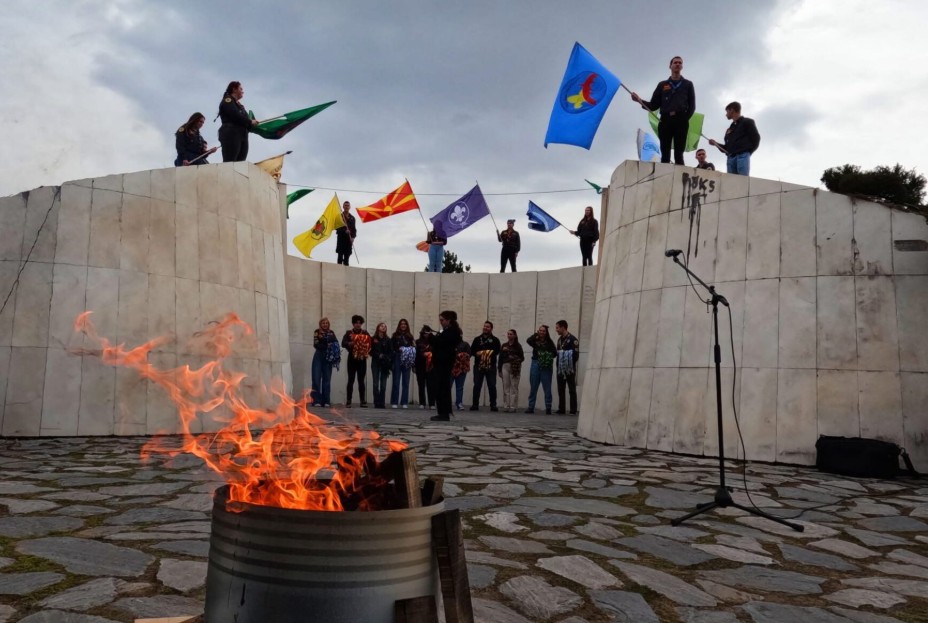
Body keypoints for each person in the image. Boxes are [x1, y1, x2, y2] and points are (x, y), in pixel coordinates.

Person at [630, 56, 695, 166]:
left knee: (679, 154)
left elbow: (692, 106)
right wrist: (639, 101)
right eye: (675, 62)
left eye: (680, 63)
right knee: (665, 154)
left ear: (682, 66)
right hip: (665, 120)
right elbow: (653, 106)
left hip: (681, 120)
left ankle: (679, 180)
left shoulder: (688, 84)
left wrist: (684, 119)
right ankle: (664, 179)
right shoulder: (662, 85)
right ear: (670, 66)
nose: (678, 64)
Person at [709, 101, 761, 176]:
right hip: (730, 159)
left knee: (742, 182)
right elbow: (727, 148)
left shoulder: (748, 122)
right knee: (731, 183)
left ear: (732, 110)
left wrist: (748, 152)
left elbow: (756, 138)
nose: (726, 114)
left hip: (742, 156)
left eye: (727, 111)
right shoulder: (729, 129)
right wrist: (716, 144)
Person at [430, 311, 462, 421]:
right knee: (441, 388)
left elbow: (442, 343)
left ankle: (444, 413)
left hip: (444, 363)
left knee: (442, 388)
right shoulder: (448, 331)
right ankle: (443, 412)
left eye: (442, 320)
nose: (441, 322)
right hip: (441, 363)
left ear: (448, 320)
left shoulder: (452, 332)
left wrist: (431, 337)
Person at [217, 81, 257, 162]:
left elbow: (245, 119)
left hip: (242, 134)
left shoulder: (240, 106)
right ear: (234, 89)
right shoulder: (227, 101)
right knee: (230, 162)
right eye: (240, 89)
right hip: (231, 133)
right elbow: (234, 114)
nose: (243, 91)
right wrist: (250, 122)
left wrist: (252, 124)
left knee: (240, 163)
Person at [469, 321, 501, 412]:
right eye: (484, 326)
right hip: (479, 365)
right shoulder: (477, 339)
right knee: (477, 385)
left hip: (491, 365)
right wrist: (476, 353)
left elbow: (497, 351)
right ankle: (475, 404)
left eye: (488, 327)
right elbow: (472, 351)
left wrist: (485, 353)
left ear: (491, 328)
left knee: (492, 385)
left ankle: (493, 405)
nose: (485, 328)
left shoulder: (495, 340)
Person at [525, 324, 556, 415]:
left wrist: (546, 356)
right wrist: (536, 334)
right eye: (540, 330)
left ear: (546, 333)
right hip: (535, 363)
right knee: (533, 386)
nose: (542, 332)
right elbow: (528, 340)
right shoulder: (535, 340)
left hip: (546, 366)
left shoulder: (549, 342)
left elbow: (554, 353)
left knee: (547, 387)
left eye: (543, 331)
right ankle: (531, 407)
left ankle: (548, 407)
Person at [341, 315, 371, 407]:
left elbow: (370, 343)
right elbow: (343, 343)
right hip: (352, 359)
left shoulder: (365, 333)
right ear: (353, 324)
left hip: (362, 359)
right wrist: (350, 343)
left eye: (359, 323)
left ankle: (362, 400)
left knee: (361, 380)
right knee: (351, 379)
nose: (358, 325)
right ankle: (349, 400)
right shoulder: (348, 333)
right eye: (356, 323)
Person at [311, 317, 339, 407]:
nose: (325, 324)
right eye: (323, 323)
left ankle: (326, 400)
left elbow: (335, 343)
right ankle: (316, 400)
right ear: (320, 324)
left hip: (328, 358)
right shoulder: (317, 332)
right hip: (318, 356)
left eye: (326, 323)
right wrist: (327, 344)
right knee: (316, 378)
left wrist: (324, 342)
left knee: (327, 379)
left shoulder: (332, 333)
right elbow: (316, 344)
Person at [554, 320, 580, 415]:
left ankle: (573, 410)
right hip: (560, 369)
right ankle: (562, 409)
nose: (556, 330)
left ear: (563, 327)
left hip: (569, 369)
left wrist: (567, 361)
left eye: (557, 328)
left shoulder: (573, 339)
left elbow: (576, 355)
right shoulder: (559, 340)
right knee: (561, 389)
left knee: (571, 389)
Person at [390, 318, 416, 409]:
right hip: (397, 358)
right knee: (396, 381)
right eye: (401, 324)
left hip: (407, 359)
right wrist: (398, 350)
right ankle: (394, 402)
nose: (403, 325)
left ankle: (404, 401)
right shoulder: (394, 335)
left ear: (407, 325)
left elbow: (414, 347)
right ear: (399, 325)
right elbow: (391, 348)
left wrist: (410, 349)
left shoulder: (410, 336)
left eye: (405, 324)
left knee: (406, 381)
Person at [498, 329, 524, 413]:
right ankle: (506, 405)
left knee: (514, 386)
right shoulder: (504, 345)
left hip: (514, 367)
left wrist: (515, 358)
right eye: (508, 334)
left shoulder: (518, 346)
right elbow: (500, 358)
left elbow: (522, 357)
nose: (509, 335)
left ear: (515, 335)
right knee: (506, 386)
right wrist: (499, 370)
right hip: (505, 366)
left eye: (511, 334)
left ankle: (513, 406)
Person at [370, 322, 393, 408]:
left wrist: (386, 357)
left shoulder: (388, 340)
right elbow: (370, 351)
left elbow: (391, 352)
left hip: (384, 363)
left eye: (385, 326)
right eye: (381, 326)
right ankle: (376, 402)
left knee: (383, 384)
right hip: (375, 362)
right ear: (378, 327)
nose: (383, 327)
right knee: (375, 384)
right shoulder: (373, 339)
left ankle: (382, 403)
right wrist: (378, 355)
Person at [415, 326, 434, 409]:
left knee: (431, 385)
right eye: (424, 333)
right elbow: (416, 354)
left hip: (431, 366)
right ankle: (422, 402)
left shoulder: (433, 342)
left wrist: (430, 354)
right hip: (420, 365)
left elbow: (436, 352)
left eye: (427, 333)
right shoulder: (418, 342)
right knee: (421, 385)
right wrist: (423, 354)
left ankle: (432, 403)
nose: (426, 334)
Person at [335, 201, 357, 266]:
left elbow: (354, 230)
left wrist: (353, 237)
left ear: (349, 207)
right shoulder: (340, 216)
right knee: (340, 257)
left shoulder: (352, 218)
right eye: (345, 205)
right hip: (341, 240)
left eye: (348, 205)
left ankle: (346, 272)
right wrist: (345, 231)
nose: (346, 207)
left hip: (348, 240)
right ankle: (338, 271)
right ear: (343, 207)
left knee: (347, 257)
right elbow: (337, 228)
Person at [452, 340, 471, 411]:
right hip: (451, 368)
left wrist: (461, 355)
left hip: (462, 368)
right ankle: (445, 403)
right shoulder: (448, 343)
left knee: (459, 387)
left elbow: (469, 354)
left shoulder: (465, 344)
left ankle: (459, 403)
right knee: (448, 386)